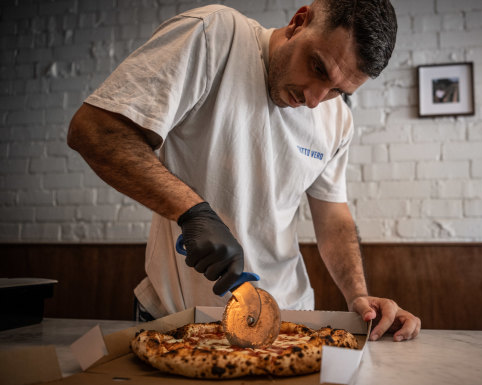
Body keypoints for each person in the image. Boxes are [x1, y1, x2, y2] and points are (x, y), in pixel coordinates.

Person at [68, 0, 421, 342]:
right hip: (177, 321)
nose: (314, 99)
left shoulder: (337, 119)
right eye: (317, 68)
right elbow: (95, 130)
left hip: (287, 322)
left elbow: (333, 215)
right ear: (299, 21)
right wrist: (192, 212)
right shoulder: (215, 36)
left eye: (338, 91)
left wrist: (358, 296)